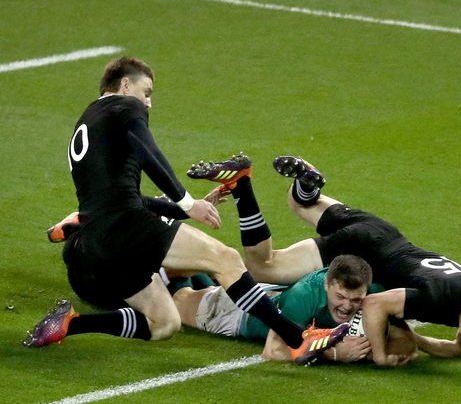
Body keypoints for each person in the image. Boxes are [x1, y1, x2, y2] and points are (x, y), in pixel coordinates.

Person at [24, 57, 348, 365]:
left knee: (165, 323)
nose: (147, 102)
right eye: (146, 92)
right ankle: (297, 340)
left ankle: (70, 323)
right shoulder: (127, 106)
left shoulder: (88, 123)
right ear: (125, 84)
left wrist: (181, 209)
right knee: (226, 260)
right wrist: (187, 203)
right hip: (125, 226)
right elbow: (149, 154)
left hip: (97, 240)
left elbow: (128, 193)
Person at [190, 153, 461, 366]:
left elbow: (460, 347)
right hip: (362, 250)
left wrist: (431, 342)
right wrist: (380, 355)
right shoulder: (438, 299)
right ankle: (242, 185)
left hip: (380, 232)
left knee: (298, 204)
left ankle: (306, 186)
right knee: (264, 266)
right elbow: (375, 304)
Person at [173, 255, 395, 363]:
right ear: (327, 284)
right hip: (240, 314)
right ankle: (160, 252)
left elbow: (403, 336)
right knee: (177, 302)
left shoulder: (375, 295)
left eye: (356, 300)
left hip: (271, 293)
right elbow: (273, 351)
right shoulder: (305, 294)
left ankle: (194, 269)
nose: (347, 307)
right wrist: (335, 353)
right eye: (340, 297)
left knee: (203, 281)